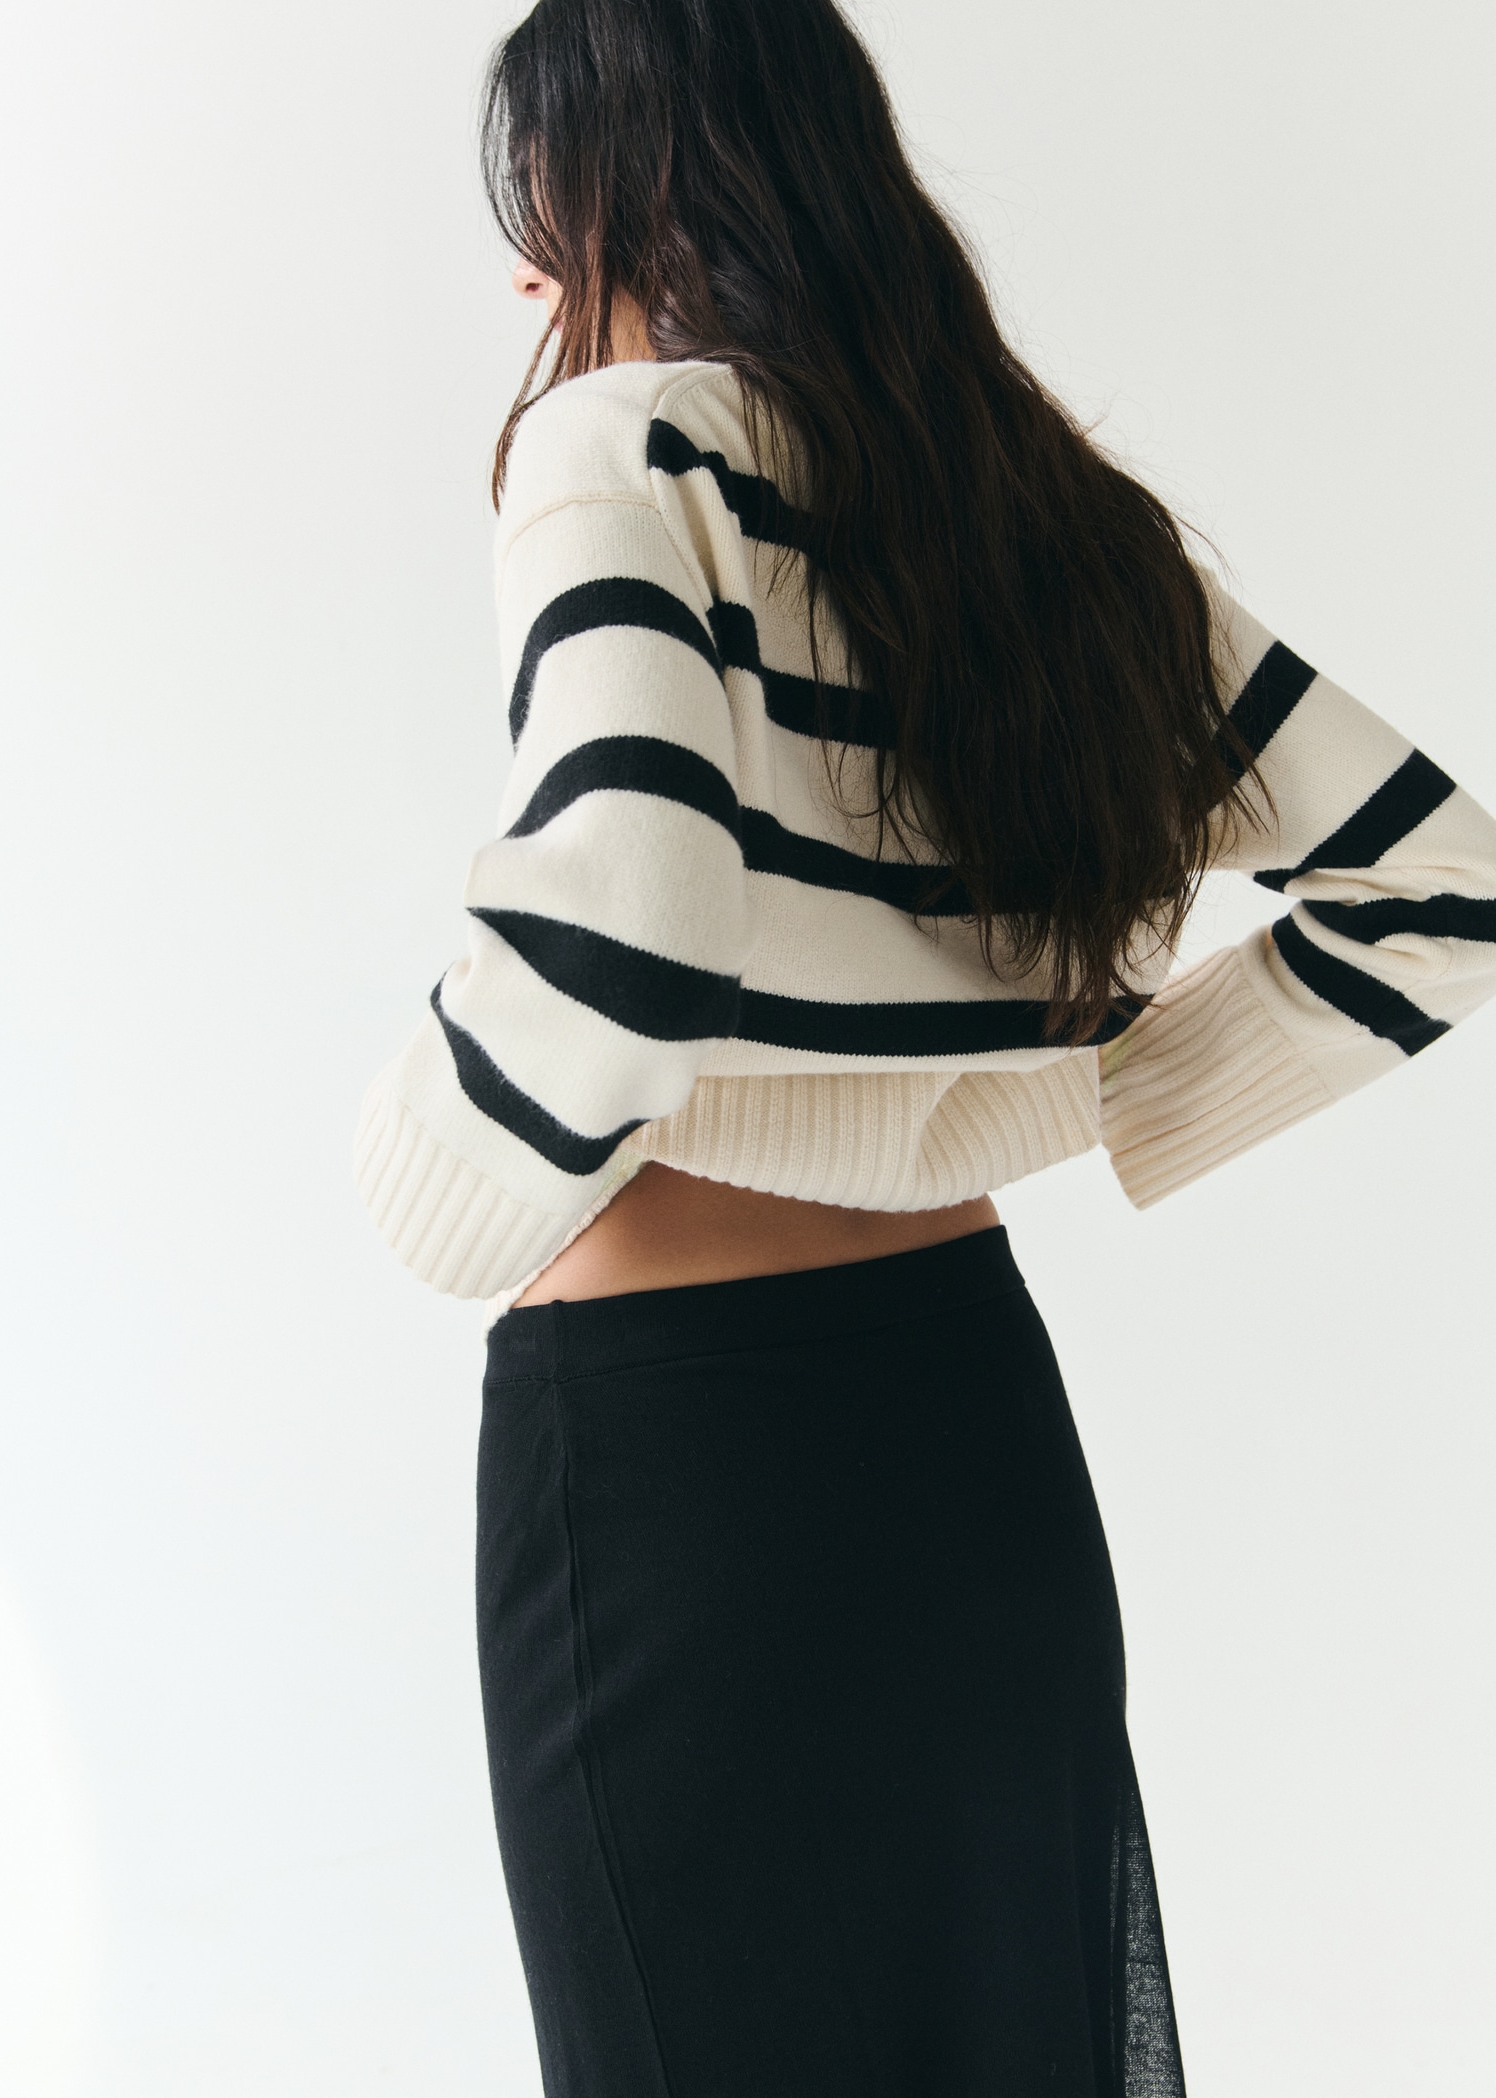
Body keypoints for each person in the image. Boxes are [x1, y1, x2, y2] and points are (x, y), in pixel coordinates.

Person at [354, 1, 1496, 2090]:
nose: (525, 276)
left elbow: (632, 907)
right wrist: (1113, 1097)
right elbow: (1445, 880)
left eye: (540, 209)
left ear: (617, 197)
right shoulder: (1038, 513)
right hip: (970, 1426)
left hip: (685, 1476)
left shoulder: (623, 449)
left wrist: (429, 1191)